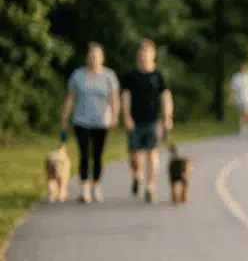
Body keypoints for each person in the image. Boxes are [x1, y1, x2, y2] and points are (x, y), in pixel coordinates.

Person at [61, 42, 120, 204]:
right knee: (84, 154)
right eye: (91, 55)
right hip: (82, 121)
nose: (94, 58)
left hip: (102, 122)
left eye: (97, 56)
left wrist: (115, 116)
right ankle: (84, 188)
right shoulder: (78, 75)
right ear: (87, 58)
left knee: (98, 155)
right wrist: (64, 118)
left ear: (102, 58)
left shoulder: (109, 76)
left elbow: (114, 98)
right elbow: (70, 98)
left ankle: (96, 185)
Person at [121, 39, 174, 204]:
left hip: (153, 120)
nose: (144, 56)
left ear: (153, 55)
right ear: (138, 55)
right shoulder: (131, 75)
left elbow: (166, 97)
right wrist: (126, 116)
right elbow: (125, 96)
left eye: (147, 52)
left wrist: (167, 118)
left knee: (152, 153)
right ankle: (137, 176)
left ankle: (150, 187)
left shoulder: (158, 75)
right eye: (142, 52)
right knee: (134, 156)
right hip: (135, 120)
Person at [230, 62, 248, 134]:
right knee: (241, 112)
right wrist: (233, 97)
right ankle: (242, 127)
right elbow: (233, 88)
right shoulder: (236, 77)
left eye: (246, 68)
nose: (244, 69)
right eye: (243, 68)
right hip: (239, 97)